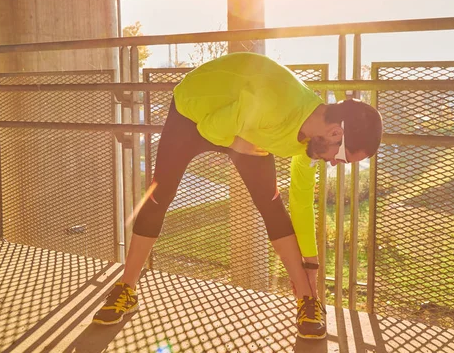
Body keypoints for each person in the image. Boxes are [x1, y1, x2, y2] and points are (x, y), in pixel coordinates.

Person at [92, 52, 383, 339]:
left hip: (245, 124)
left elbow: (301, 202)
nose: (334, 163)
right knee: (159, 194)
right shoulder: (273, 104)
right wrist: (240, 145)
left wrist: (311, 267)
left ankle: (308, 301)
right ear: (335, 133)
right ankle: (126, 288)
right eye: (342, 158)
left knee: (271, 205)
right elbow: (210, 129)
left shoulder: (309, 145)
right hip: (195, 109)